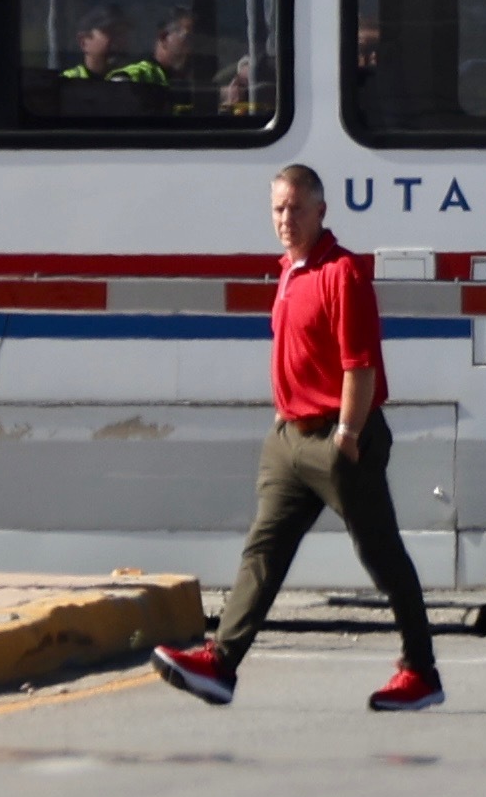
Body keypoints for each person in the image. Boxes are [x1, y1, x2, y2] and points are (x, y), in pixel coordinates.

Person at [151, 164, 445, 714]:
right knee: (262, 551)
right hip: (289, 438)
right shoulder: (289, 270)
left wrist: (348, 436)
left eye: (295, 209)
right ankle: (220, 664)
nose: (285, 220)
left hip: (338, 436)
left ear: (320, 212)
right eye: (278, 210)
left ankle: (420, 673)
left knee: (382, 556)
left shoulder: (342, 273)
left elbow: (361, 368)